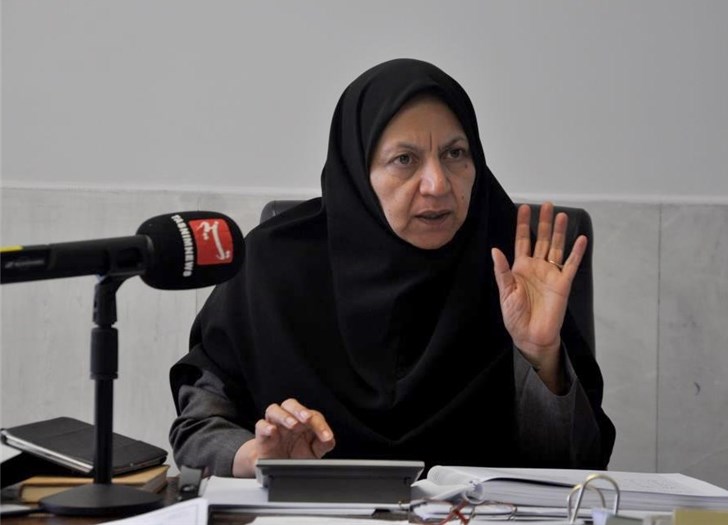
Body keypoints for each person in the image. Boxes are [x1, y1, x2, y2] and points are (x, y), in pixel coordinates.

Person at [169, 58, 615, 477]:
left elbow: (575, 465)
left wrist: (540, 356)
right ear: (358, 171)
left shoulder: (516, 267)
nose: (437, 184)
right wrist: (256, 456)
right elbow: (198, 429)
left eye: (455, 153)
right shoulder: (272, 268)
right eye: (405, 159)